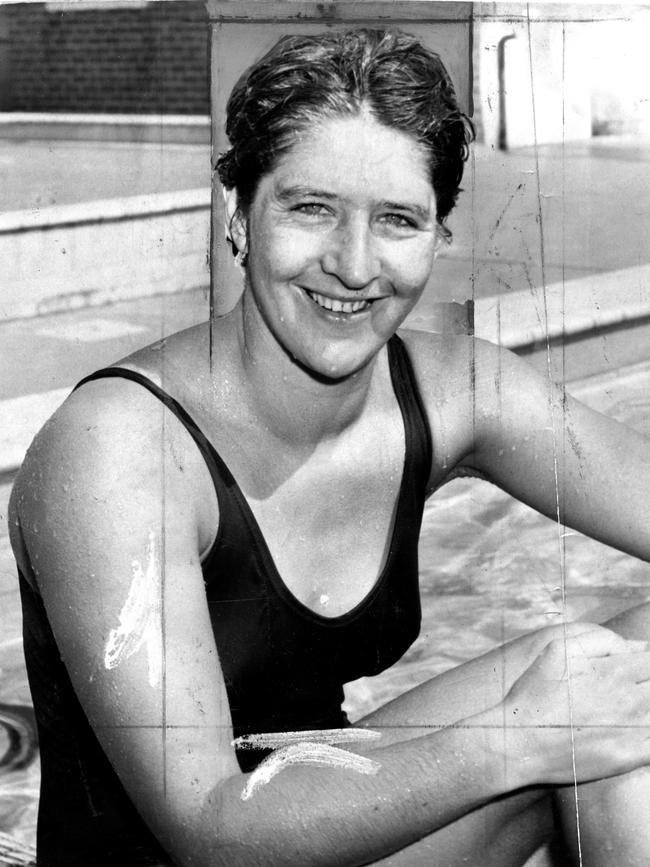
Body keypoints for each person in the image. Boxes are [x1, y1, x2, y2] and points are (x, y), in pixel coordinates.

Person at [8, 27, 650, 867]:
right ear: (239, 210)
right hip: (204, 845)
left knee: (620, 677)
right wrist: (514, 738)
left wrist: (553, 724)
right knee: (580, 717)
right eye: (311, 208)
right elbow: (209, 825)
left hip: (326, 818)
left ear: (439, 237)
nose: (353, 264)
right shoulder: (117, 454)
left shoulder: (454, 391)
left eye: (397, 220)